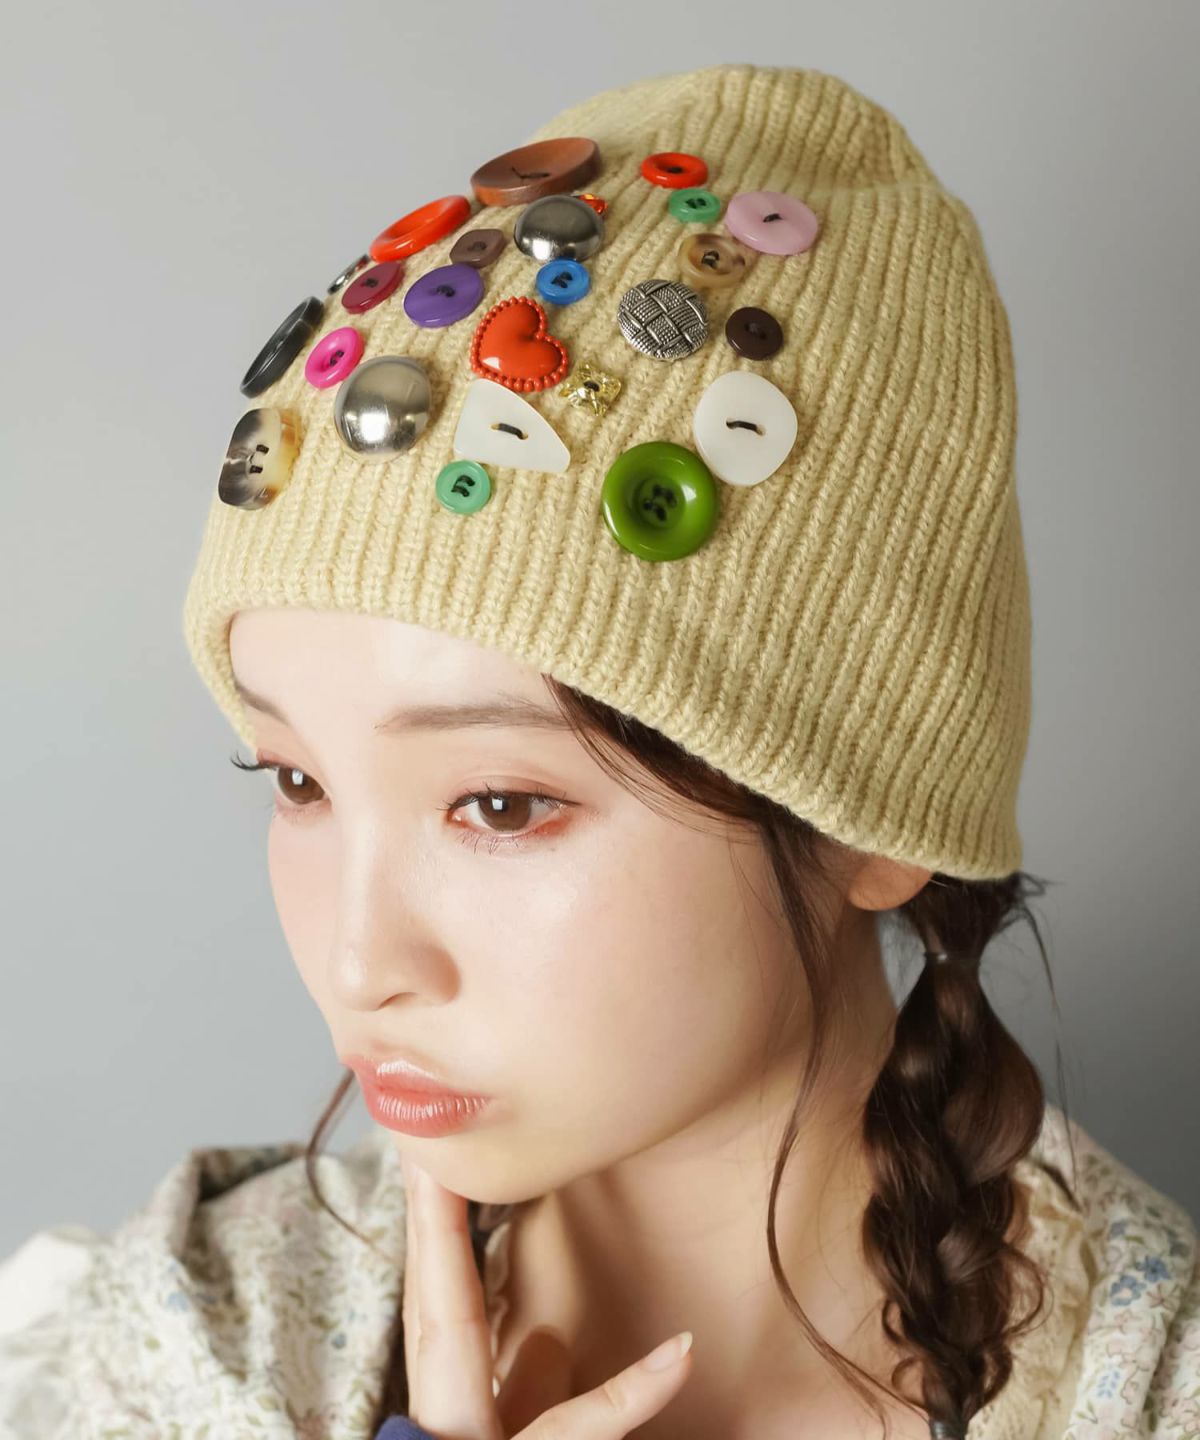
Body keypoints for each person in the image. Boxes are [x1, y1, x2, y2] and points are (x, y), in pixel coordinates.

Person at [1, 59, 1196, 1440]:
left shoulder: (1145, 1392)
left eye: (501, 805)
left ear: (871, 821)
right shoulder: (185, 1346)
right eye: (299, 781)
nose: (359, 965)